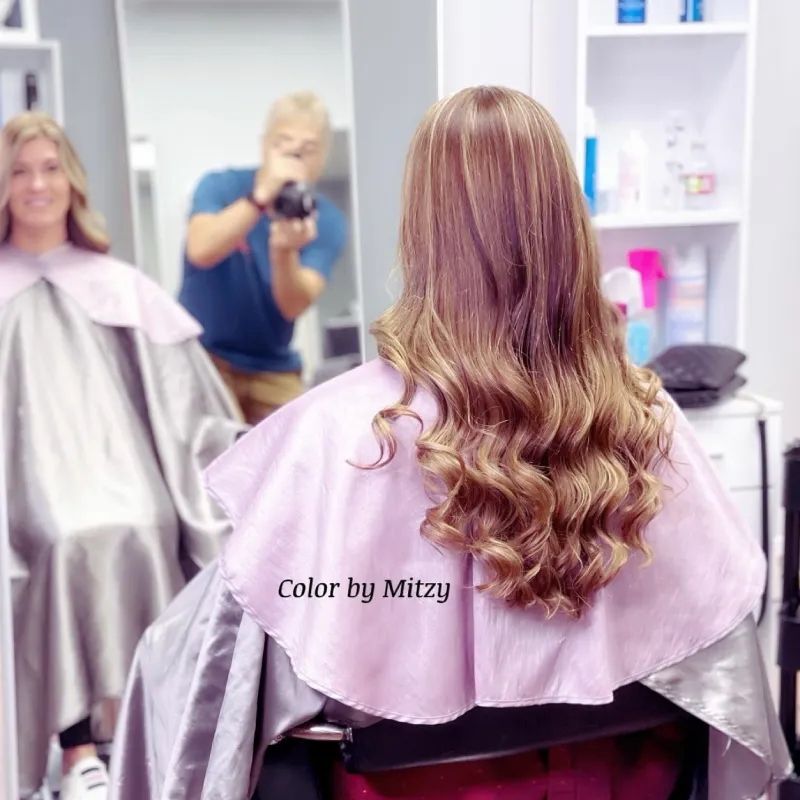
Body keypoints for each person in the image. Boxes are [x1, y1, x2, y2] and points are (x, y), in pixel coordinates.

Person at [110, 87, 791, 799]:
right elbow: (720, 667)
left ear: (423, 231)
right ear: (566, 224)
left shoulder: (342, 434)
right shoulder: (648, 417)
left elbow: (209, 683)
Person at [0, 112, 246, 800]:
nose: (36, 184)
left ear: (70, 180)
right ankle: (76, 746)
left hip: (122, 476)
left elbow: (187, 405)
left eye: (49, 168)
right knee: (59, 540)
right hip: (25, 488)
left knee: (146, 529)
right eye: (19, 171)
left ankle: (145, 730)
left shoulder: (117, 284)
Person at [178, 91, 347, 425]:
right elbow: (201, 250)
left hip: (273, 366)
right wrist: (259, 200)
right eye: (282, 144)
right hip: (203, 356)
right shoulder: (220, 187)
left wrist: (283, 250)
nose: (293, 157)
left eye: (307, 150)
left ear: (321, 158)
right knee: (209, 462)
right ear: (263, 145)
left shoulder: (325, 220)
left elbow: (293, 304)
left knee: (296, 457)